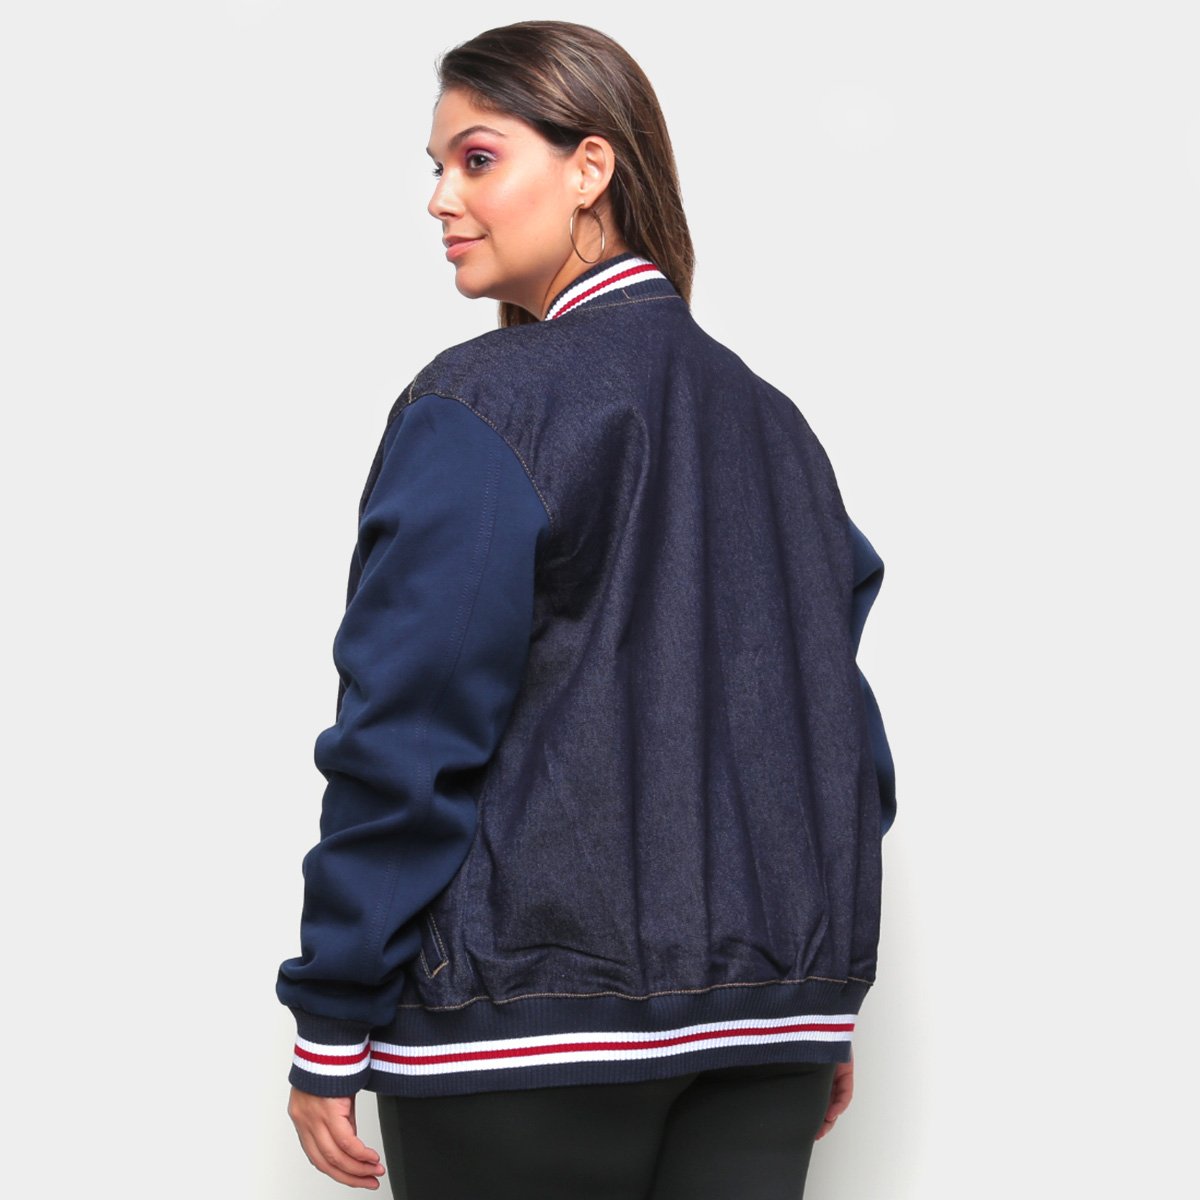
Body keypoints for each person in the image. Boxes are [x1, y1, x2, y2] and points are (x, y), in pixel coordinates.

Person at [277, 19, 897, 1199]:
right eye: (436, 168)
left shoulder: (482, 406)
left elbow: (409, 732)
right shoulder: (778, 428)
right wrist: (812, 997)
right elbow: (842, 748)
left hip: (525, 1033)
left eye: (476, 158)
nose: (440, 199)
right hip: (766, 1036)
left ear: (590, 169)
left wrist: (333, 1010)